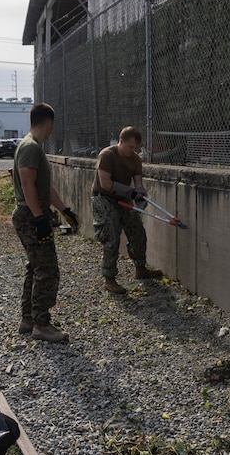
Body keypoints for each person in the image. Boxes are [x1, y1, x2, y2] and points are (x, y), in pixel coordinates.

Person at [11, 103, 80, 342]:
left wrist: (65, 210)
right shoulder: (31, 147)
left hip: (32, 212)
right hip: (31, 215)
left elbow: (43, 187)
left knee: (35, 267)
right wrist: (39, 217)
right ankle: (41, 323)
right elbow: (28, 184)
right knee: (47, 270)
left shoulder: (33, 147)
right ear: (49, 123)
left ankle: (28, 318)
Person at [91, 126, 163, 294]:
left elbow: (138, 184)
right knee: (111, 236)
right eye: (130, 147)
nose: (133, 151)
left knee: (137, 232)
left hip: (123, 197)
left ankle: (140, 268)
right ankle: (109, 278)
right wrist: (131, 192)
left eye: (136, 148)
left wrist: (140, 198)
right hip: (104, 197)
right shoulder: (107, 155)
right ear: (121, 141)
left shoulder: (135, 159)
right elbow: (105, 184)